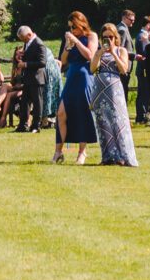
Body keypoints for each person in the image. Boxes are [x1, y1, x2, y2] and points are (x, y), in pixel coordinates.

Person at [89, 23, 139, 166]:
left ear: (115, 37)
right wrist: (99, 53)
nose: (108, 40)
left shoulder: (121, 50)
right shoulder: (98, 52)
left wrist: (113, 53)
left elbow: (123, 69)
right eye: (105, 37)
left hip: (114, 89)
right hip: (99, 89)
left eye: (110, 37)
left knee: (118, 121)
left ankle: (123, 156)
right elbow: (92, 69)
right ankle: (108, 156)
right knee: (102, 122)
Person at [53, 13, 98, 164]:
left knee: (82, 112)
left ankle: (82, 151)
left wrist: (77, 41)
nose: (72, 29)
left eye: (74, 26)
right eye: (70, 27)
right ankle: (58, 152)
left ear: (81, 23)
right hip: (71, 76)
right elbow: (63, 60)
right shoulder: (70, 38)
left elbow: (90, 55)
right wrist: (68, 46)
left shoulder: (92, 36)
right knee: (61, 113)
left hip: (85, 77)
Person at [14, 27, 50, 132]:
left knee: (37, 102)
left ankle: (36, 126)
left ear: (29, 35)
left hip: (37, 78)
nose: (22, 41)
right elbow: (30, 56)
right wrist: (21, 56)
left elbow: (42, 62)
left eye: (23, 38)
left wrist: (25, 64)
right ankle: (23, 125)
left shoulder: (39, 44)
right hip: (28, 78)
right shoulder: (28, 43)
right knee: (24, 102)